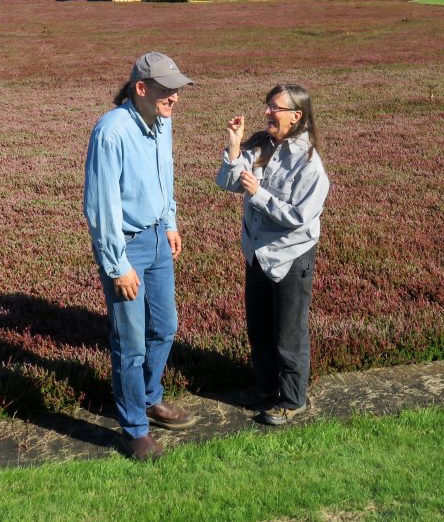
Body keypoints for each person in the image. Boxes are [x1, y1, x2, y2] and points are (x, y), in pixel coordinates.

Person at [83, 51, 199, 460]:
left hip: (157, 239)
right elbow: (101, 205)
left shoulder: (161, 123)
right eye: (168, 90)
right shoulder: (111, 131)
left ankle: (150, 397)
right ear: (141, 88)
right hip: (127, 246)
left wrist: (169, 221)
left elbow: (164, 175)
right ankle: (134, 428)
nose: (175, 98)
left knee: (165, 327)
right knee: (129, 343)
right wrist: (117, 265)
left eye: (178, 90)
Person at [215, 83, 330, 425]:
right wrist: (235, 149)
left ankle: (293, 400)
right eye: (267, 106)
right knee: (260, 329)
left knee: (288, 335)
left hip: (291, 258)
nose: (267, 112)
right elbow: (227, 182)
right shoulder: (262, 146)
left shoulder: (310, 166)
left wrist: (260, 194)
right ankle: (265, 389)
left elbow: (298, 217)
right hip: (258, 255)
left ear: (296, 116)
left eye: (275, 108)